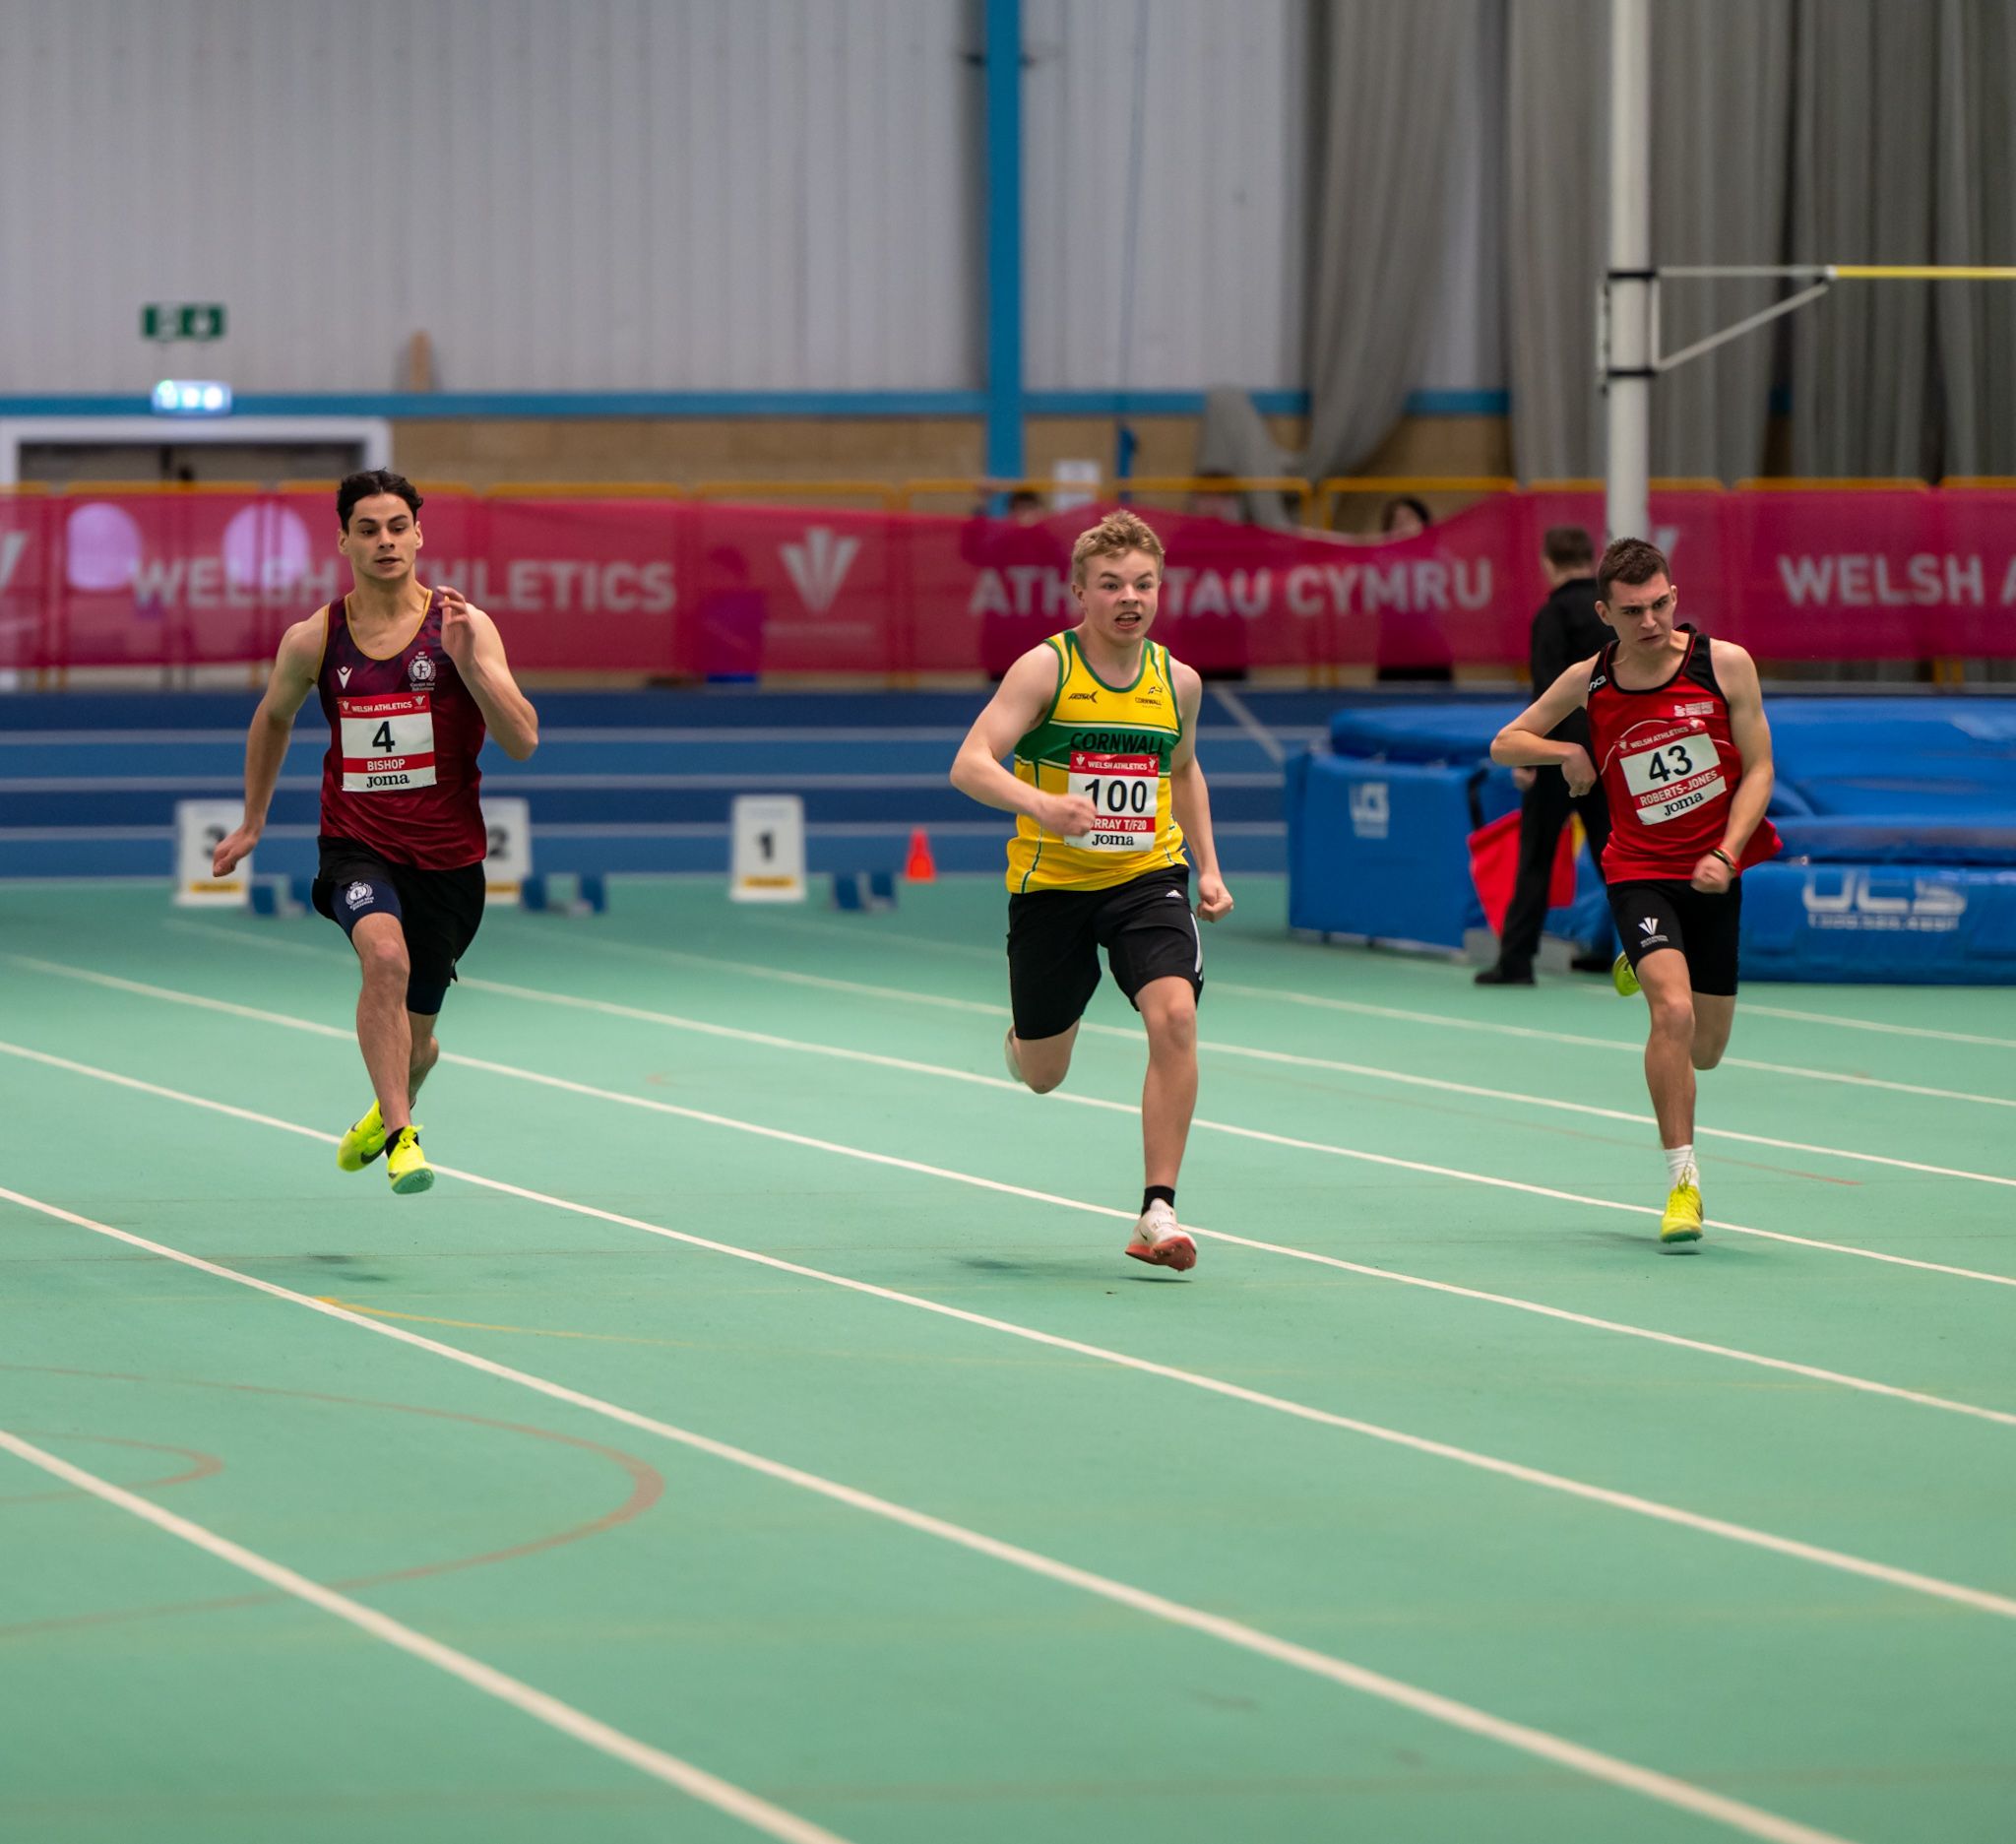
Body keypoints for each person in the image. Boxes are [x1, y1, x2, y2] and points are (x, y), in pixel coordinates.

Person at [212, 470, 539, 1194]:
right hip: (356, 848)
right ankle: (402, 1138)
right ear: (343, 541)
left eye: (398, 527)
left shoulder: (464, 624)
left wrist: (467, 665)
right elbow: (273, 716)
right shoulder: (315, 637)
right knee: (382, 959)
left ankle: (393, 1103)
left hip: (450, 861)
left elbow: (522, 740)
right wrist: (254, 818)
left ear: (419, 535)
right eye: (368, 529)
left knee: (419, 1045)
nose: (385, 541)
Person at [950, 509, 1233, 1272]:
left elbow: (1182, 772)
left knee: (1174, 1014)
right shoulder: (1046, 669)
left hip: (1147, 877)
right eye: (1111, 584)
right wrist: (1042, 805)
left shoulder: (1179, 682)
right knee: (1045, 1072)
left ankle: (1158, 1208)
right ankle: (1022, 1041)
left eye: (1143, 583)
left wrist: (1207, 864)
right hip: (1052, 886)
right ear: (1080, 591)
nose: (1129, 597)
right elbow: (970, 763)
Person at [1489, 537, 1780, 1244]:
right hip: (1638, 870)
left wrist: (1726, 849)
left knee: (1705, 1048)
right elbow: (1505, 742)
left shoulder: (1726, 665)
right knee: (1671, 1014)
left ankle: (1645, 957)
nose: (1650, 621)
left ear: (1674, 596)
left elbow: (1761, 770)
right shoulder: (1590, 680)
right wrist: (1568, 751)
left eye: (1659, 604)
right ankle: (1683, 1184)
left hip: (1712, 871)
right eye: (1632, 610)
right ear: (1604, 612)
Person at [1477, 525, 1615, 985]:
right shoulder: (1610, 614)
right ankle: (1646, 948)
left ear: (1547, 563)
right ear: (1592, 558)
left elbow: (1546, 694)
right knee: (1615, 857)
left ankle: (1516, 960)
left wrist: (1532, 757)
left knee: (1536, 855)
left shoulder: (1551, 615)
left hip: (1559, 752)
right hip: (1605, 749)